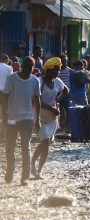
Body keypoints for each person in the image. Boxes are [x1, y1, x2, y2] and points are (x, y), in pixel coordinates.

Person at [2, 56, 41, 186]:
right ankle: (10, 170)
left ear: (33, 68)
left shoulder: (35, 81)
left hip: (28, 118)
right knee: (10, 147)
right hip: (12, 117)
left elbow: (37, 101)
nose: (27, 69)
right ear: (21, 66)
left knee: (26, 147)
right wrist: (4, 117)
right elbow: (4, 97)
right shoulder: (11, 79)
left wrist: (38, 119)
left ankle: (25, 176)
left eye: (30, 67)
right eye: (25, 66)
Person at [31, 57, 69, 179]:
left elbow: (66, 90)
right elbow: (35, 100)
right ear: (49, 70)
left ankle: (39, 170)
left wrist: (57, 100)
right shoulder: (39, 82)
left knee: (46, 143)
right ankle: (33, 163)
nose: (58, 72)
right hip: (39, 115)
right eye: (56, 69)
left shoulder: (58, 82)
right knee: (45, 141)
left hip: (52, 118)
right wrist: (51, 107)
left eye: (59, 69)